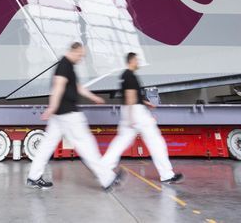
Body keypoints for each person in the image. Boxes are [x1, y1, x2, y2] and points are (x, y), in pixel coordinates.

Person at [27, 42, 121, 191]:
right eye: (80, 55)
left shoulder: (67, 65)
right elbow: (58, 86)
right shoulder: (65, 65)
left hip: (60, 115)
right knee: (86, 146)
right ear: (74, 51)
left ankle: (33, 176)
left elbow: (77, 87)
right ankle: (107, 178)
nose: (81, 59)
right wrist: (52, 107)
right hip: (68, 114)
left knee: (47, 145)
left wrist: (93, 97)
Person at [101, 52, 183, 184]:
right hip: (135, 112)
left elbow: (133, 96)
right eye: (137, 60)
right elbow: (130, 96)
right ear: (131, 61)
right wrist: (131, 117)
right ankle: (167, 174)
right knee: (156, 142)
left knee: (121, 142)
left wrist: (145, 103)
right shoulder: (130, 75)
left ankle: (102, 168)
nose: (138, 62)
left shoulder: (126, 75)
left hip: (131, 110)